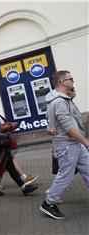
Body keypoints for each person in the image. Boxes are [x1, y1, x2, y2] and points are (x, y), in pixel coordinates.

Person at [40, 71, 89, 220]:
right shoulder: (59, 102)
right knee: (65, 176)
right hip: (68, 146)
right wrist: (86, 142)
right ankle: (48, 203)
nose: (73, 81)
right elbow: (69, 127)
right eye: (70, 78)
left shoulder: (62, 99)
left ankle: (50, 199)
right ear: (62, 82)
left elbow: (52, 122)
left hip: (74, 144)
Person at [0, 99, 38, 196]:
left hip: (0, 147)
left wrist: (8, 127)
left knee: (11, 167)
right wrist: (6, 135)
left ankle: (24, 187)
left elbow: (0, 128)